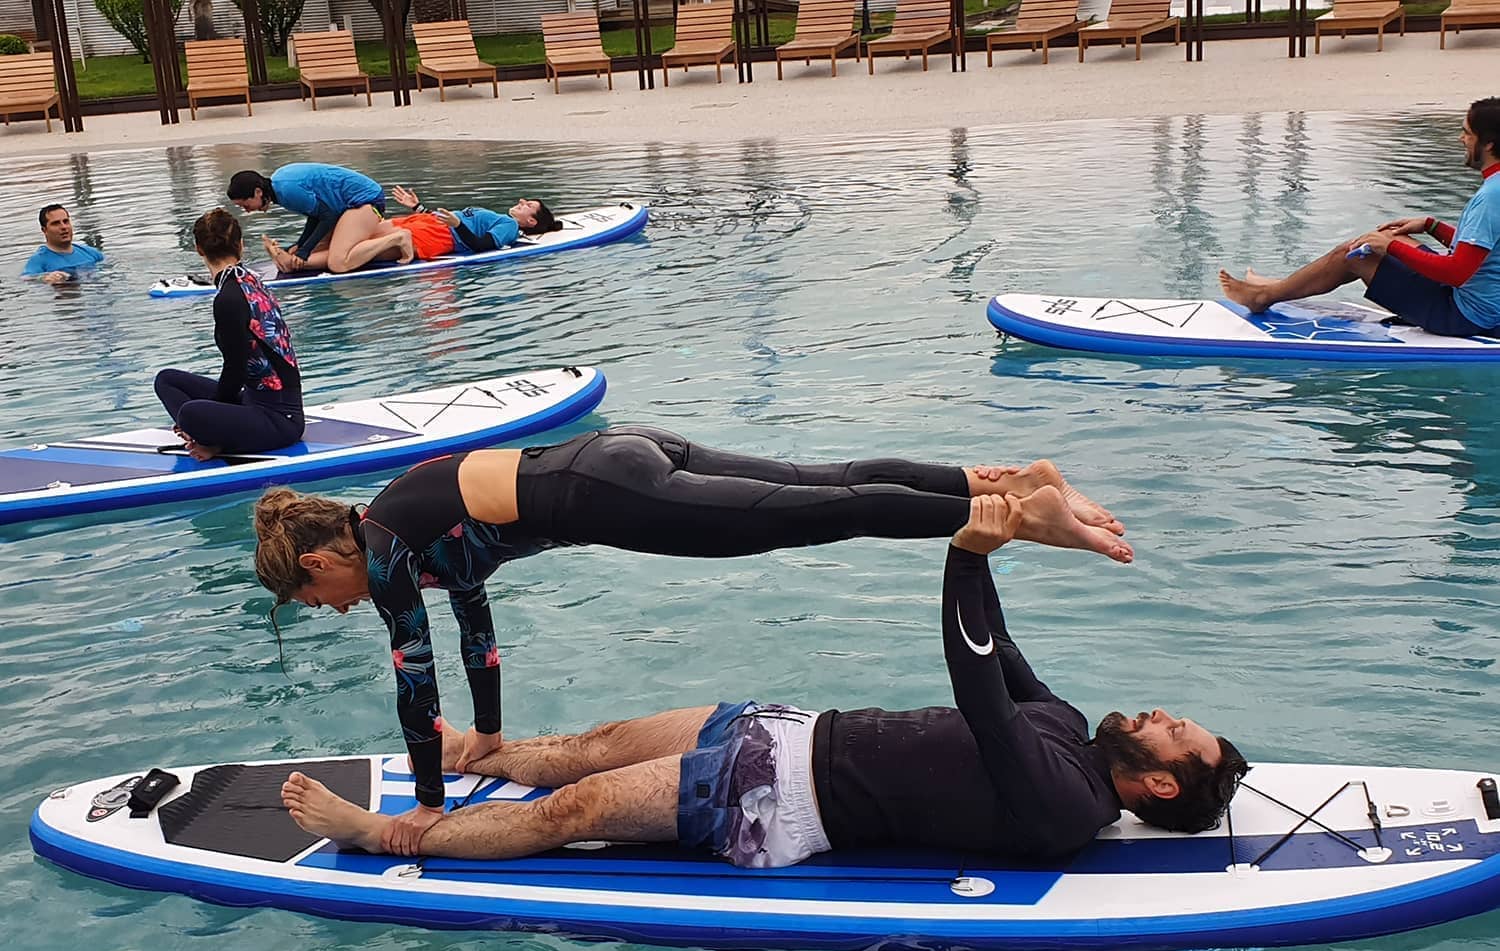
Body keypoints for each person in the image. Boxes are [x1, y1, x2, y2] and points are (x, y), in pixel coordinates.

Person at [253, 431, 1133, 849]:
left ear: (326, 554)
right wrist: (486, 736)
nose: (326, 606)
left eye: (312, 590)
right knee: (818, 480)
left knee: (814, 515)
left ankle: (1011, 515)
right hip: (625, 453)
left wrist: (432, 805)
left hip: (607, 496)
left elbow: (416, 679)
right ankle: (1004, 480)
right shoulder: (401, 517)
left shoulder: (387, 555)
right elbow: (475, 630)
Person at [1219, 98, 1500, 339]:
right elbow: (1485, 250)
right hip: (1479, 301)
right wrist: (1431, 226)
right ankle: (1281, 286)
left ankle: (1263, 297)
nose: (1461, 139)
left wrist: (1387, 248)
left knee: (1355, 255)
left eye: (1467, 133)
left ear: (1488, 144)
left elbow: (1458, 272)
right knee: (1392, 236)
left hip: (1463, 315)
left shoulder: (1490, 197)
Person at [153, 209, 303, 461]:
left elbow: (235, 370)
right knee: (167, 380)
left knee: (190, 414)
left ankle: (212, 443)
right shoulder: (249, 279)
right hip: (254, 398)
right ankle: (206, 434)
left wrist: (207, 422)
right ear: (241, 245)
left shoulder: (229, 298)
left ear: (199, 249)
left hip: (279, 419)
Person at [226, 163, 387, 277]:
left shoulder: (287, 191)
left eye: (246, 205)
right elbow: (316, 214)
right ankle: (290, 261)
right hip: (343, 208)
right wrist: (301, 245)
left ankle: (398, 240)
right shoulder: (279, 187)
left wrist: (304, 251)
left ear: (258, 192)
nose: (247, 211)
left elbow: (327, 216)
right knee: (316, 249)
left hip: (367, 201)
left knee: (338, 263)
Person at [375, 185, 563, 264]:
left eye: (528, 205)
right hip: (431, 222)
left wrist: (457, 225)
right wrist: (418, 207)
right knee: (368, 232)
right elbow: (452, 219)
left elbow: (480, 245)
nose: (522, 200)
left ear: (531, 221)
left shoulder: (510, 226)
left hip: (442, 235)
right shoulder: (500, 217)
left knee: (370, 246)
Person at [23, 205, 105, 283]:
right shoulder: (39, 260)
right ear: (44, 230)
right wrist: (44, 277)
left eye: (66, 221)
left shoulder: (91, 253)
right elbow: (26, 278)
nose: (63, 227)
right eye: (56, 223)